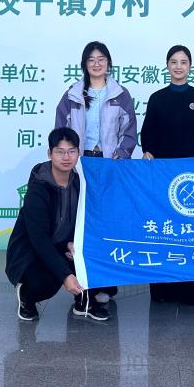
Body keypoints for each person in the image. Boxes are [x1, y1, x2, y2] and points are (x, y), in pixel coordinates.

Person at [55, 40, 136, 303]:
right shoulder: (72, 95)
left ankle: (106, 286)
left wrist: (120, 155)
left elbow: (129, 131)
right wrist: (68, 157)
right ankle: (81, 284)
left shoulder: (120, 94)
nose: (96, 63)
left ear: (108, 63)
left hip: (108, 165)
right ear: (84, 64)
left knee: (106, 223)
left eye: (101, 59)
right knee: (79, 223)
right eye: (91, 59)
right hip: (80, 164)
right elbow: (61, 131)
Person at [5, 127, 109, 322]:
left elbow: (86, 220)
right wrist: (65, 275)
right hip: (32, 252)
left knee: (96, 255)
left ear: (79, 152)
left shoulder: (80, 182)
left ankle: (83, 301)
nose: (66, 157)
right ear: (50, 153)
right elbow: (39, 239)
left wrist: (73, 243)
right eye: (60, 152)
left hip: (63, 246)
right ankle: (26, 296)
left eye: (71, 151)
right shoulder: (38, 188)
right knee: (46, 282)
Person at [141, 44, 194, 305]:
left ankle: (192, 291)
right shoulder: (157, 98)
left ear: (190, 66)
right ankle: (162, 290)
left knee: (193, 232)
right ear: (167, 66)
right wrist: (148, 151)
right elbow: (147, 133)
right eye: (174, 62)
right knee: (164, 230)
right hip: (163, 177)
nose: (178, 66)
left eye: (183, 62)